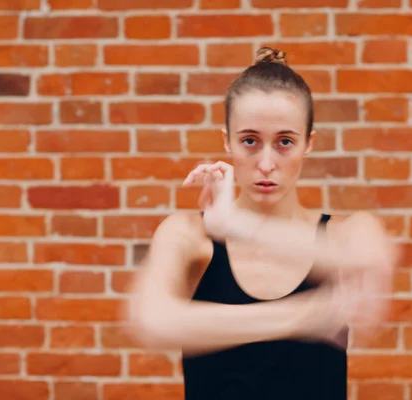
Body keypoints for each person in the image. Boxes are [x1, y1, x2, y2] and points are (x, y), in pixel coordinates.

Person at [125, 47, 398, 400]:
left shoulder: (348, 232)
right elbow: (152, 318)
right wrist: (300, 318)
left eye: (285, 142)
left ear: (308, 144)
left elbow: (369, 262)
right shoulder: (189, 235)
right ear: (227, 140)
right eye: (250, 141)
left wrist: (236, 223)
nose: (266, 163)